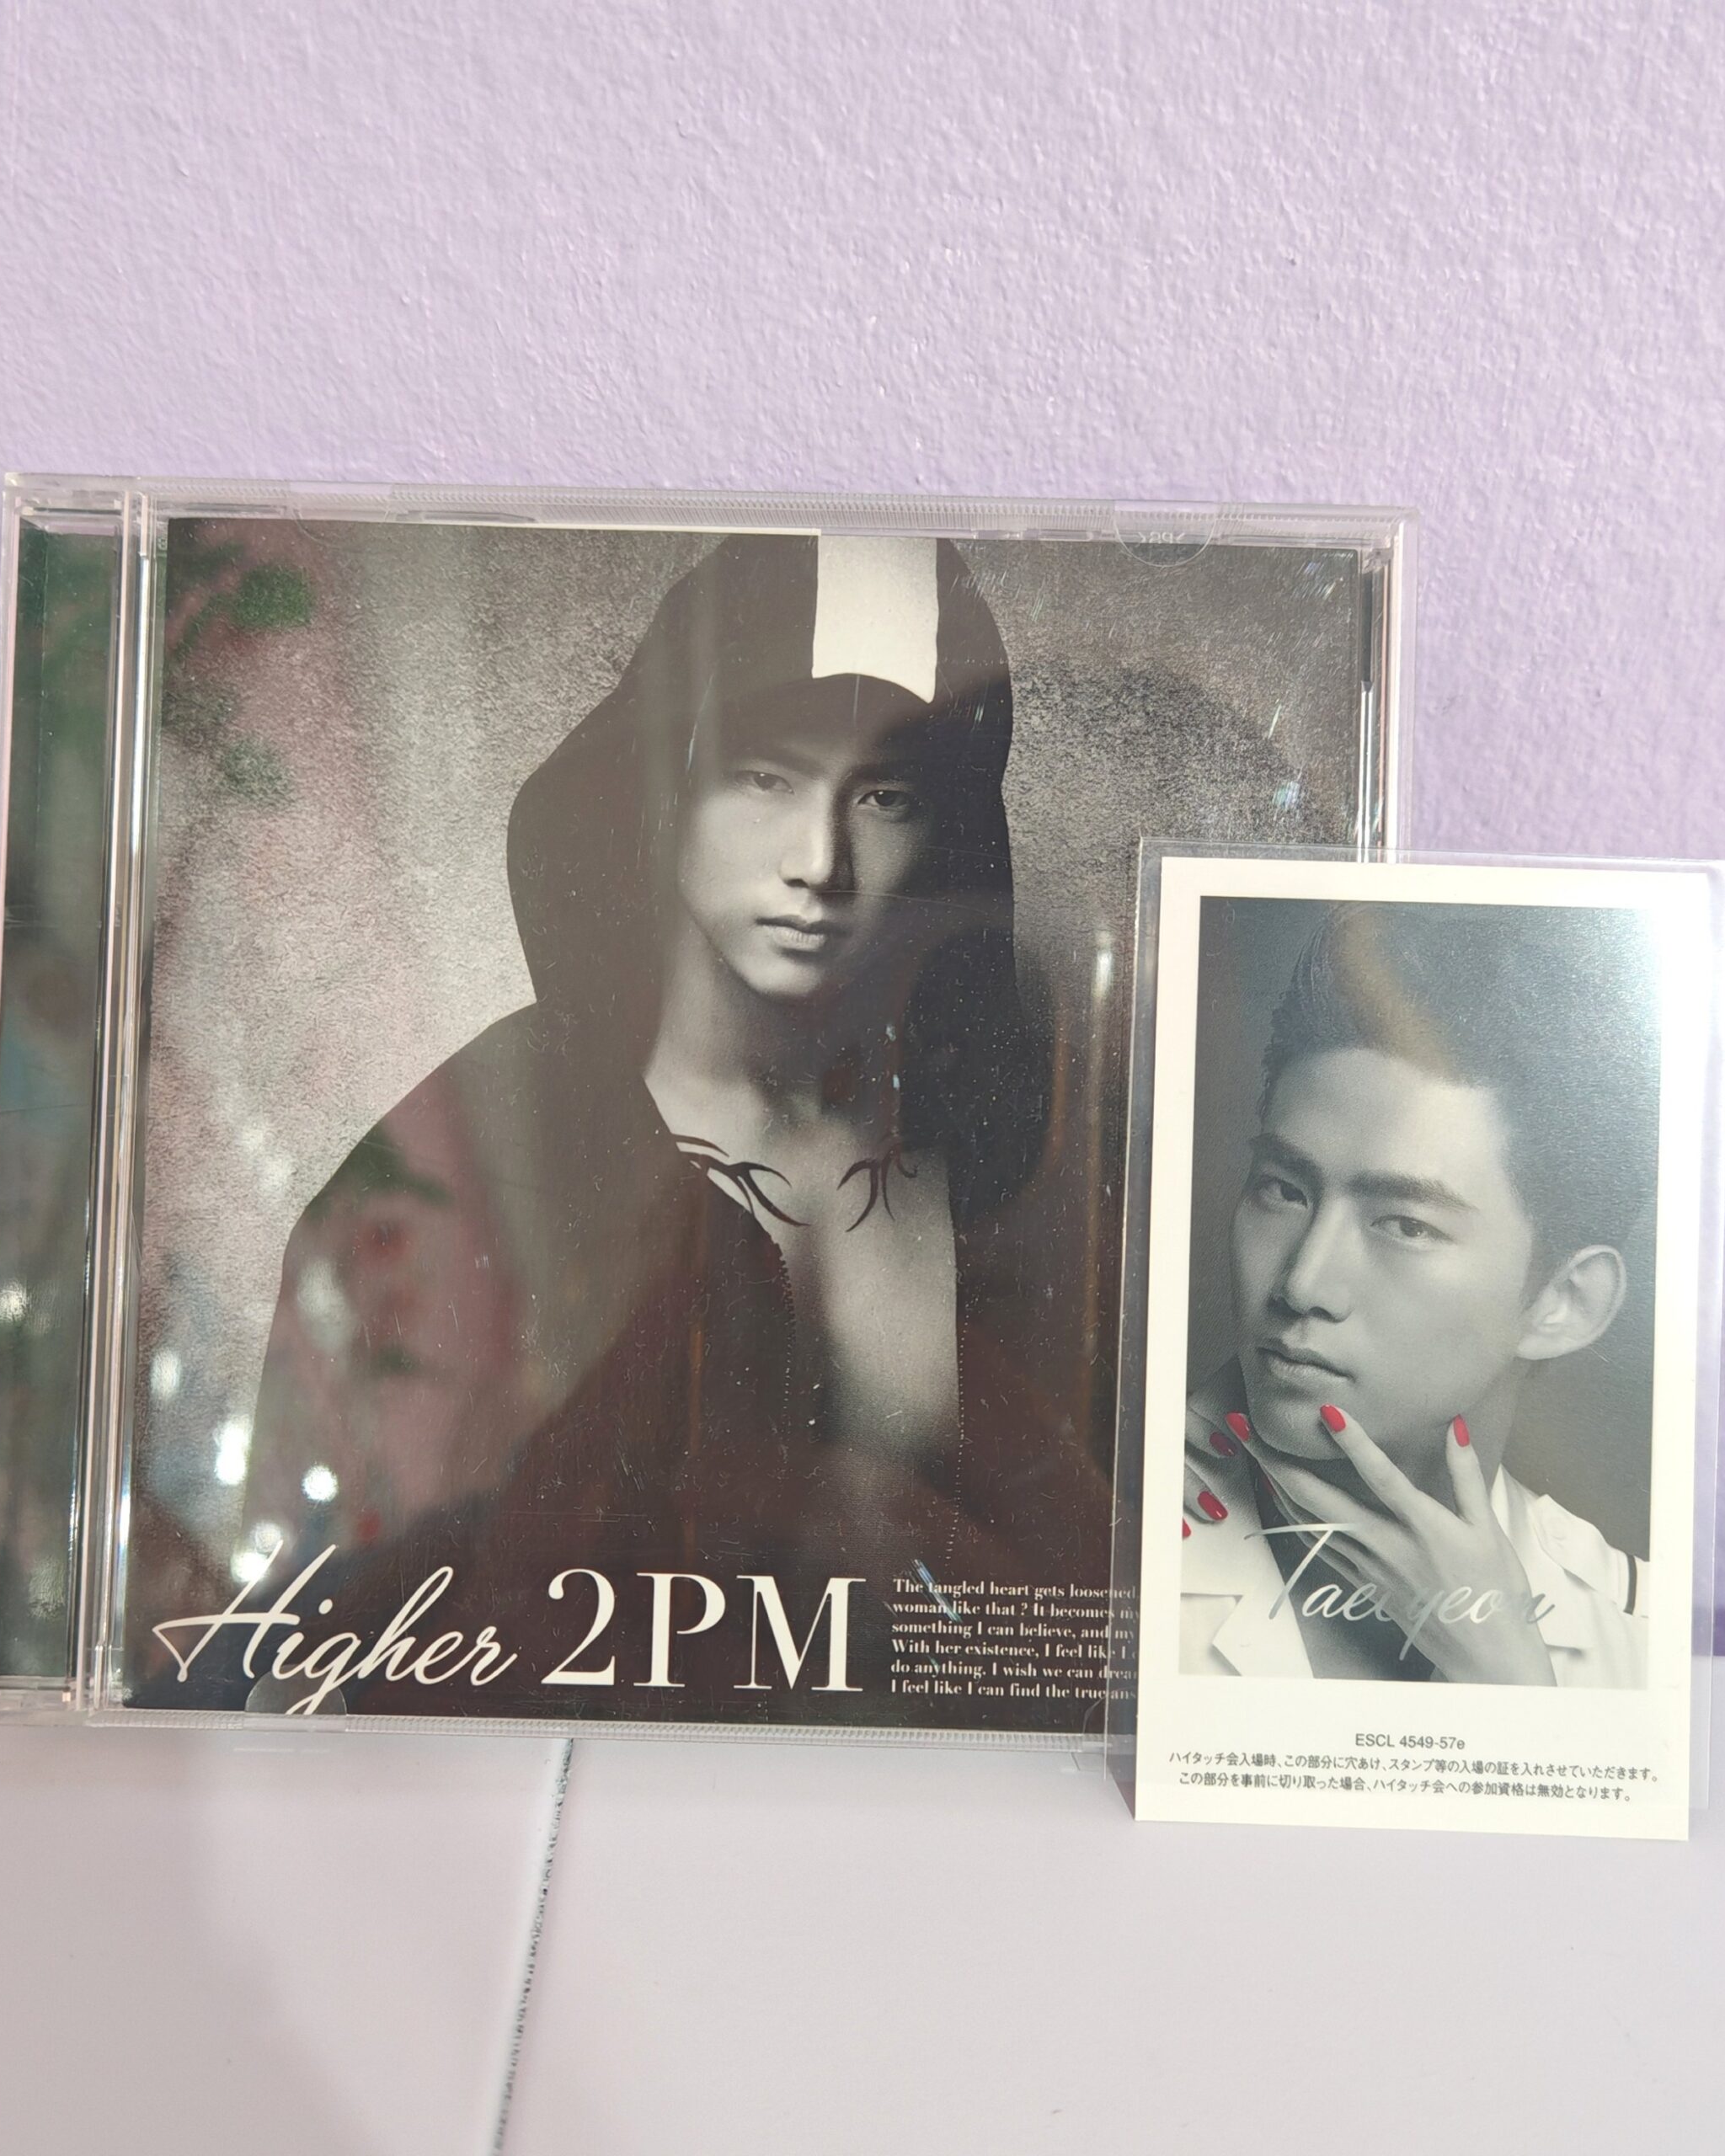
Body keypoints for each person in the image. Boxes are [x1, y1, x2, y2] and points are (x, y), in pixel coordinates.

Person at [139, 536, 1113, 1724]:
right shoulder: (507, 1128)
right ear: (668, 784)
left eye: (885, 797)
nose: (822, 862)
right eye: (767, 777)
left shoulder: (990, 1171)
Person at [1178, 900, 1658, 1686]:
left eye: (1405, 1224)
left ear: (1563, 1303)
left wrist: (1510, 1681)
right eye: (1283, 1190)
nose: (1302, 1284)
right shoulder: (1102, 1550)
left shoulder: (1643, 1644)